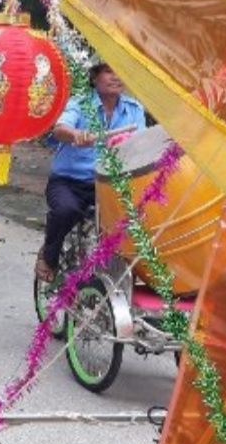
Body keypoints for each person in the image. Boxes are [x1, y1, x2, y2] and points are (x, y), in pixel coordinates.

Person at [36, 61, 145, 282]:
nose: (116, 77)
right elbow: (60, 129)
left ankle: (122, 275)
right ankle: (48, 254)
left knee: (138, 217)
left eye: (120, 71)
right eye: (108, 71)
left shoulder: (134, 109)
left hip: (109, 185)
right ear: (94, 77)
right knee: (66, 210)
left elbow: (141, 145)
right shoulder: (79, 103)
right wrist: (76, 135)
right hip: (69, 182)